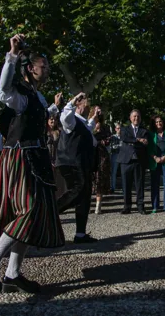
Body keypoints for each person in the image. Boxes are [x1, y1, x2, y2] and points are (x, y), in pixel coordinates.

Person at [0, 34, 65, 294]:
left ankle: (12, 274)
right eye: (42, 65)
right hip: (19, 158)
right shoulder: (20, 95)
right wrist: (12, 55)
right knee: (30, 211)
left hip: (36, 158)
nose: (46, 69)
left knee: (32, 216)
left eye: (47, 66)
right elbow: (2, 91)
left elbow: (44, 116)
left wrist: (56, 108)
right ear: (29, 68)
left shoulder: (37, 96)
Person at [56, 94, 99, 243]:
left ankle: (80, 234)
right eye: (85, 105)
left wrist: (94, 117)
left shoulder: (83, 123)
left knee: (85, 196)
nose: (87, 106)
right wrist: (71, 102)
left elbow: (88, 129)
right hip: (70, 162)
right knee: (78, 190)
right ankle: (50, 212)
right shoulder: (72, 119)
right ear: (79, 106)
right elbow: (64, 118)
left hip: (81, 163)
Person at [117, 109, 149, 215]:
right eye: (134, 116)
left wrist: (137, 140)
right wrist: (138, 140)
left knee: (139, 184)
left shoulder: (144, 130)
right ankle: (127, 206)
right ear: (130, 118)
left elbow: (146, 142)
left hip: (139, 161)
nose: (136, 118)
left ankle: (140, 206)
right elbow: (125, 138)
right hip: (126, 161)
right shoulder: (125, 129)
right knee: (126, 185)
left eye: (138, 116)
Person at [91, 110, 111, 214]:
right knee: (89, 179)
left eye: (99, 112)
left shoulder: (105, 127)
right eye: (96, 112)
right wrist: (95, 130)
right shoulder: (88, 124)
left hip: (101, 155)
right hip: (90, 154)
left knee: (100, 178)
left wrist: (102, 141)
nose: (98, 114)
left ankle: (98, 205)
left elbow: (108, 140)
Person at [109, 123, 122, 193]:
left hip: (122, 156)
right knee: (114, 172)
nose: (119, 130)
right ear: (115, 129)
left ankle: (124, 188)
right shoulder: (113, 137)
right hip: (115, 155)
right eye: (118, 128)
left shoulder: (123, 137)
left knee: (123, 172)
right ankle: (113, 187)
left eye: (120, 128)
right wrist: (120, 146)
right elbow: (112, 147)